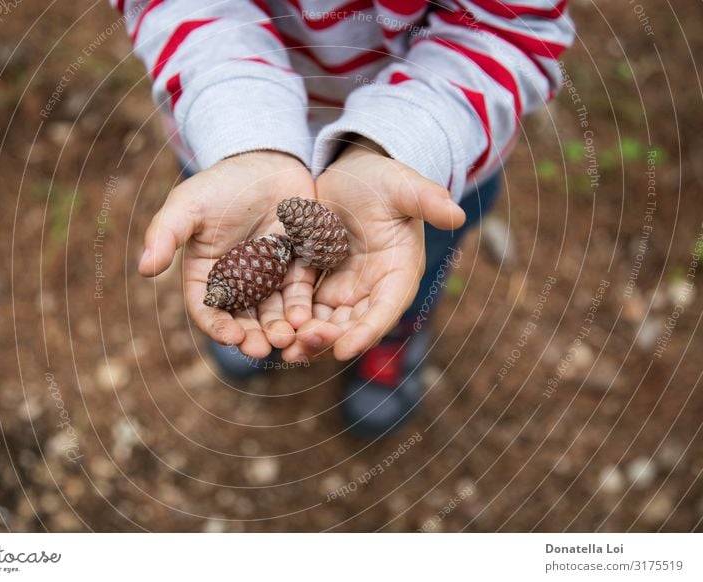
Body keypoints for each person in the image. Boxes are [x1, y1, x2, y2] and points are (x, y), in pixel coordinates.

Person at [116, 0, 574, 437]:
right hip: (227, 140)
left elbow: (508, 31)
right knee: (238, 225)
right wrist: (247, 133)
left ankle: (395, 330)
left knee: (417, 260)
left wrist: (401, 143)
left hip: (426, 157)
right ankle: (254, 318)